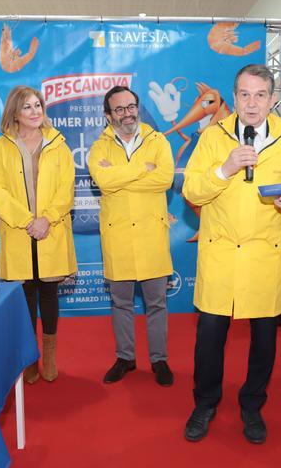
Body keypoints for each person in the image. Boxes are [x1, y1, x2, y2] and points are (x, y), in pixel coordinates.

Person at [182, 64, 281, 444]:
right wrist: (224, 169)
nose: (251, 103)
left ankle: (252, 405)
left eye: (260, 95)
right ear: (233, 98)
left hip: (264, 257)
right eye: (244, 95)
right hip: (220, 255)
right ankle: (205, 403)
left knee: (265, 340)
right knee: (209, 339)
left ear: (273, 100)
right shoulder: (213, 139)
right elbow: (192, 191)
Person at [0, 85, 77, 384]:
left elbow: (67, 189)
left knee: (49, 293)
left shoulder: (58, 144)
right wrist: (27, 221)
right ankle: (29, 357)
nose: (35, 111)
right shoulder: (2, 147)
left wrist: (46, 219)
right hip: (19, 232)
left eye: (38, 105)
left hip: (50, 230)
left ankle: (49, 355)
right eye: (27, 107)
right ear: (14, 111)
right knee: (24, 296)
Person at [88, 86, 175, 387]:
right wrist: (142, 169)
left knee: (157, 304)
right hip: (119, 236)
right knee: (121, 303)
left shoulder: (158, 140)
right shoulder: (99, 148)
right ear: (108, 115)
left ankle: (159, 359)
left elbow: (164, 178)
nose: (128, 113)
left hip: (151, 234)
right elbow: (104, 182)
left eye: (131, 106)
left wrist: (121, 175)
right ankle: (125, 358)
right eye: (120, 109)